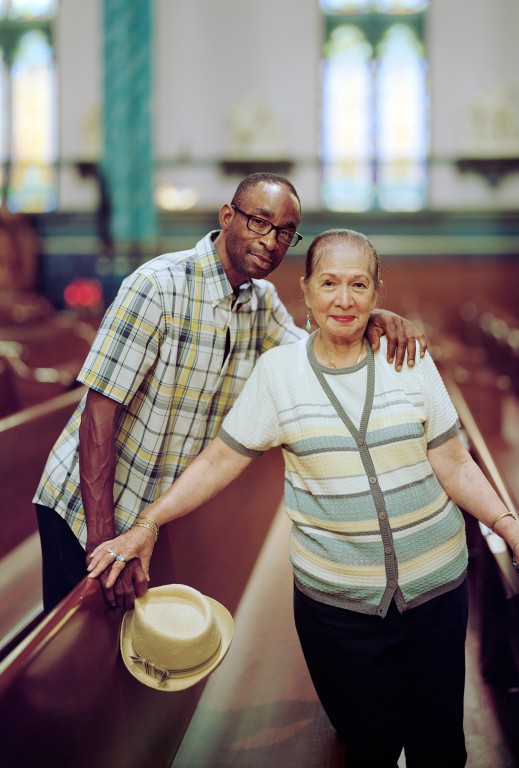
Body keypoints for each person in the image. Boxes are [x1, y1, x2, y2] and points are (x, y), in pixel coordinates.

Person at [88, 228, 519, 768]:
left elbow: (455, 463)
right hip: (337, 605)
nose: (344, 298)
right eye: (330, 283)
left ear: (377, 291)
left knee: (441, 748)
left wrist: (518, 539)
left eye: (359, 284)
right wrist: (146, 524)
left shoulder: (409, 360)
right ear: (307, 289)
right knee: (369, 745)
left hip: (436, 590)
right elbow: (221, 460)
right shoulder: (279, 374)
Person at [34, 174, 427, 613]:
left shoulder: (260, 303)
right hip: (85, 508)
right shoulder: (158, 286)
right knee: (75, 647)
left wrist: (367, 316)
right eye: (260, 222)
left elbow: (314, 356)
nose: (271, 241)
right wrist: (103, 539)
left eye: (285, 233)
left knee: (121, 644)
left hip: (148, 510)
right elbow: (98, 413)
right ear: (227, 217)